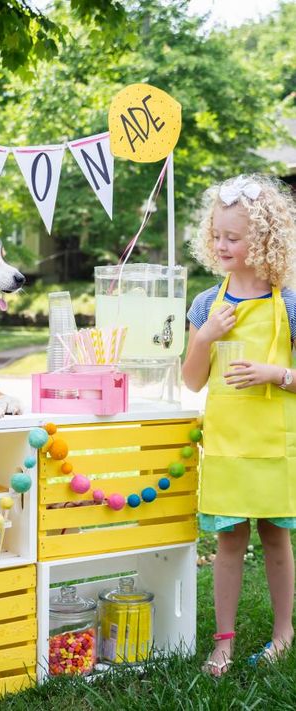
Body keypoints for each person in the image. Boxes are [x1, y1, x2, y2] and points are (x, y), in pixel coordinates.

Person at [182, 174, 296, 676]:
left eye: (234, 237)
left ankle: (282, 634)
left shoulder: (290, 304)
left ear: (264, 241)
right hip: (227, 445)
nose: (222, 245)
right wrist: (205, 336)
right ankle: (222, 642)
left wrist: (277, 374)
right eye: (217, 236)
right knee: (228, 541)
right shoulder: (208, 304)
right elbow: (191, 381)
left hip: (274, 444)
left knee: (275, 535)